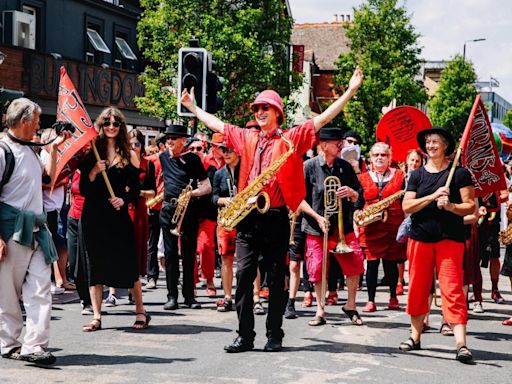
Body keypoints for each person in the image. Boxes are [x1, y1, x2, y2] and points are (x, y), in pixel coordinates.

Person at [180, 65, 363, 352]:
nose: (260, 112)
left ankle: (274, 334)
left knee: (276, 279)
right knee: (243, 277)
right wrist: (192, 107)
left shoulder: (291, 138)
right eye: (257, 109)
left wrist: (350, 91)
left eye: (265, 108)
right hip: (248, 216)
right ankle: (244, 335)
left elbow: (321, 119)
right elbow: (216, 124)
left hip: (276, 215)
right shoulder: (247, 136)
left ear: (277, 112)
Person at [0, 97, 71, 365]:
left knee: (41, 288)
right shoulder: (3, 150)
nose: (41, 125)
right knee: (8, 292)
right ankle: (9, 343)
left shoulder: (30, 149)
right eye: (38, 120)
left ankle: (34, 345)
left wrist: (53, 149)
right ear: (26, 121)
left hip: (37, 230)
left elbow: (48, 179)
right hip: (11, 231)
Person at [400, 127, 475, 364]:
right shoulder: (417, 175)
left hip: (449, 240)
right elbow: (407, 206)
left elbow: (470, 206)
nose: (431, 145)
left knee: (452, 289)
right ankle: (415, 336)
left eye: (435, 142)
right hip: (420, 238)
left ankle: (461, 343)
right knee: (418, 288)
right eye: (428, 142)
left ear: (445, 146)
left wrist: (451, 206)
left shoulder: (460, 174)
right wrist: (432, 197)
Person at [80, 107, 150, 332]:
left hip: (118, 217)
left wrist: (123, 199)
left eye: (115, 123)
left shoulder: (129, 153)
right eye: (107, 123)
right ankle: (97, 316)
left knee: (128, 264)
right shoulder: (92, 153)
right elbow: (83, 188)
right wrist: (93, 172)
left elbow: (137, 188)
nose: (111, 127)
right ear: (100, 126)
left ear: (121, 127)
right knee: (95, 266)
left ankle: (141, 311)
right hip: (94, 216)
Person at [303, 128, 365, 326]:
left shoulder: (345, 167)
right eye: (337, 143)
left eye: (341, 142)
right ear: (323, 145)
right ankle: (320, 309)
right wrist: (317, 217)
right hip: (317, 227)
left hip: (342, 226)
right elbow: (298, 200)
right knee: (318, 268)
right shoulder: (309, 167)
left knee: (355, 264)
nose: (341, 146)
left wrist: (353, 194)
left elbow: (359, 195)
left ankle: (351, 305)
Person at [159, 124, 211, 311]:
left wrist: (192, 194)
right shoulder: (163, 157)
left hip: (188, 209)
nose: (169, 142)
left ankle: (189, 296)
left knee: (189, 254)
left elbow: (207, 187)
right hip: (168, 209)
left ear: (183, 141)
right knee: (170, 254)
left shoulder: (193, 160)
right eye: (167, 139)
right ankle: (172, 296)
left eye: (173, 138)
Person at [358, 142, 406, 312]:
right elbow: (358, 202)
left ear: (389, 158)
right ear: (370, 158)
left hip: (393, 226)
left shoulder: (400, 176)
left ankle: (393, 296)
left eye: (383, 155)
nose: (379, 158)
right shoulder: (362, 177)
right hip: (370, 227)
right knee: (371, 265)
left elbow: (406, 201)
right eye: (376, 155)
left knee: (391, 263)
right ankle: (371, 300)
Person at [196, 133, 225, 296]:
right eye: (214, 145)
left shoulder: (230, 160)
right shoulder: (206, 162)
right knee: (204, 247)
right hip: (204, 210)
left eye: (219, 146)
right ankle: (204, 280)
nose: (216, 149)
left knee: (216, 247)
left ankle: (213, 278)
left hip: (220, 209)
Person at [212, 145, 240, 311]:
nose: (226, 154)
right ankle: (228, 296)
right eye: (224, 151)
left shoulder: (246, 169)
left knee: (249, 260)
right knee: (226, 259)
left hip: (244, 219)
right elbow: (214, 197)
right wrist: (224, 201)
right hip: (226, 220)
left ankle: (255, 296)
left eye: (229, 150)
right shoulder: (219, 174)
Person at [128, 129, 156, 278]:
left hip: (140, 208)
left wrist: (141, 193)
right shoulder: (123, 162)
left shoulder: (147, 164)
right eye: (130, 144)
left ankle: (136, 279)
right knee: (124, 244)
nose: (133, 147)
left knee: (139, 244)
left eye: (137, 144)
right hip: (126, 207)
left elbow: (153, 191)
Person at [145, 133, 166, 289]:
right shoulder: (151, 161)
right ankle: (152, 276)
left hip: (169, 206)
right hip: (154, 205)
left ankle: (172, 275)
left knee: (171, 244)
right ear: (161, 146)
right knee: (152, 243)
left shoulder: (175, 160)